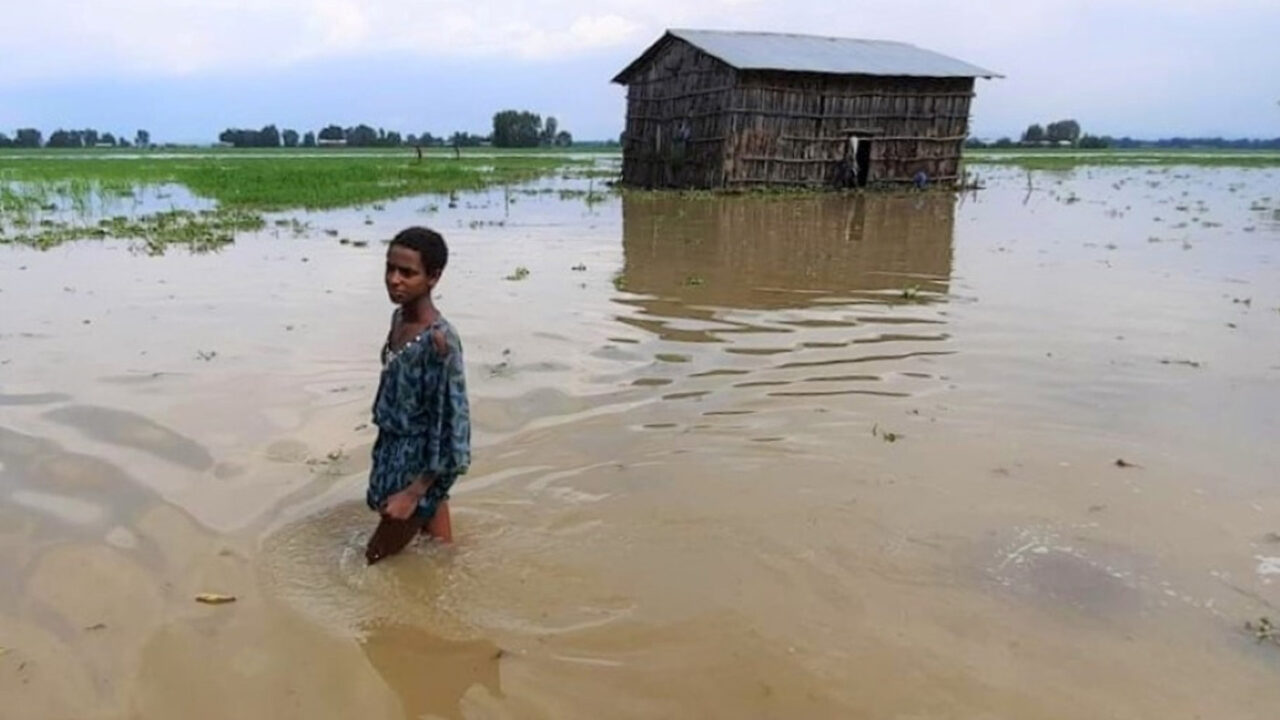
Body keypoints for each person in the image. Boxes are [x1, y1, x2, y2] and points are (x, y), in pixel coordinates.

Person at [364, 227, 471, 565]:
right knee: (440, 557)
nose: (394, 280)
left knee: (374, 559)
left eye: (407, 273)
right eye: (390, 269)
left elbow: (455, 431)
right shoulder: (398, 320)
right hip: (393, 451)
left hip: (416, 469)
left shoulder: (439, 343)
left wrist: (413, 492)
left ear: (433, 277)